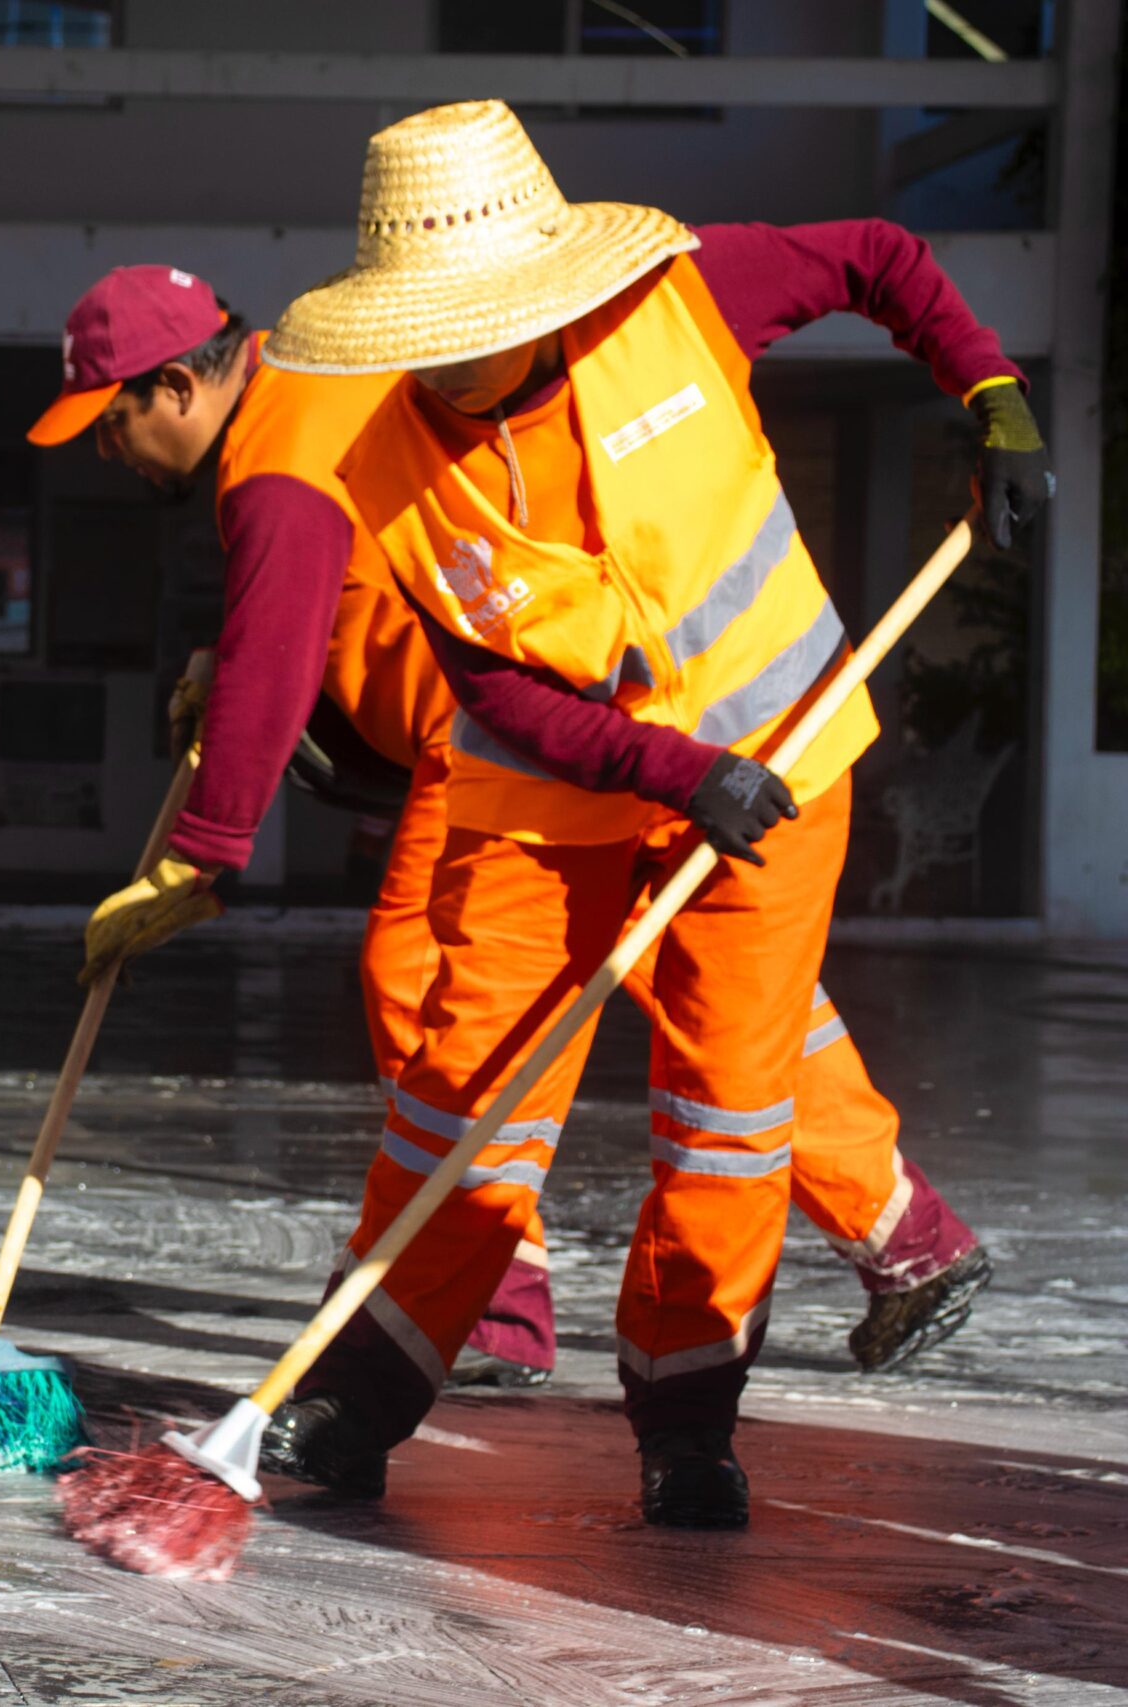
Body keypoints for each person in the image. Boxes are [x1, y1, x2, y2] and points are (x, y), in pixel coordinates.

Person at [223, 100, 1047, 1526]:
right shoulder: (384, 470)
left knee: (728, 1110)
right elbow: (501, 691)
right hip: (550, 806)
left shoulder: (681, 297)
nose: (452, 348)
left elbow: (879, 257)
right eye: (426, 323)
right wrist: (674, 773)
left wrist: (991, 398)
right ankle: (355, 1396)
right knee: (462, 1106)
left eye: (475, 316)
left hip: (781, 775)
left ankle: (686, 1420)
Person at [32, 261, 999, 1406]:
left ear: (179, 388)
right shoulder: (307, 388)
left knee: (432, 984)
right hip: (574, 725)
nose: (113, 453)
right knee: (714, 995)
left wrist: (200, 854)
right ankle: (908, 1233)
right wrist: (227, 663)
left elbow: (283, 644)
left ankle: (497, 1296)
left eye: (113, 425)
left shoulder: (276, 462)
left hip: (516, 740)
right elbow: (315, 610)